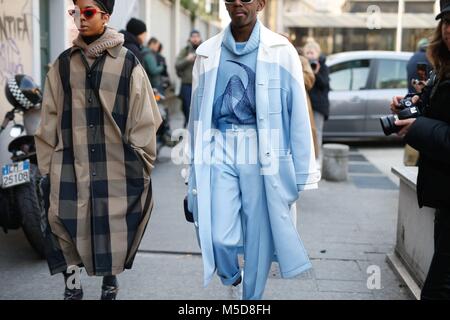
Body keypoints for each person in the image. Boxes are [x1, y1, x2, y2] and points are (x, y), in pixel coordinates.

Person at [186, 0, 320, 300]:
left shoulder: (281, 51)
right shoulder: (207, 51)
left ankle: (251, 300)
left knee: (259, 236)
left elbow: (297, 111)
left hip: (263, 150)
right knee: (218, 235)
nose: (237, 3)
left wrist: (303, 171)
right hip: (218, 146)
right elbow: (195, 115)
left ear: (259, 3)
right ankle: (231, 276)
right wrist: (190, 169)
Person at [35, 0, 162, 300]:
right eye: (74, 12)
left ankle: (110, 278)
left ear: (105, 16)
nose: (80, 18)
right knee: (65, 224)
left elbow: (145, 117)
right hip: (70, 163)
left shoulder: (127, 62)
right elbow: (48, 118)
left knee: (110, 226)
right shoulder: (63, 65)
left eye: (88, 11)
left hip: (114, 164)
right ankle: (72, 285)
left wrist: (140, 162)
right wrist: (47, 168)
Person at [390, 0, 450, 300]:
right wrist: (411, 108)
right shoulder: (444, 67)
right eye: (448, 22)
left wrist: (418, 128)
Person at [303, 39, 330, 168]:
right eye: (307, 53)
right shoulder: (303, 65)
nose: (309, 56)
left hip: (319, 106)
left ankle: (317, 158)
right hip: (307, 105)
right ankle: (308, 158)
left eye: (312, 53)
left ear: (317, 54)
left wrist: (316, 73)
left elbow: (324, 84)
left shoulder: (323, 67)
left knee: (317, 132)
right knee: (306, 132)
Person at [176, 30, 202, 127]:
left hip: (200, 84)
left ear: (200, 38)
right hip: (187, 84)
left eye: (197, 36)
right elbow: (177, 65)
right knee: (186, 107)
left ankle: (197, 126)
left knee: (199, 107)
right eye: (193, 36)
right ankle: (187, 124)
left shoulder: (205, 49)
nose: (195, 39)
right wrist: (187, 59)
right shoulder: (185, 50)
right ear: (190, 38)